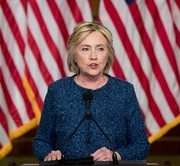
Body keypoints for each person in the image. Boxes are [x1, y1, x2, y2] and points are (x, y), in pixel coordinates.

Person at [32, 21, 150, 162]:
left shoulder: (124, 91)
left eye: (100, 49)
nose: (93, 56)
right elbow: (41, 142)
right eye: (85, 49)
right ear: (74, 54)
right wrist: (50, 154)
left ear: (108, 54)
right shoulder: (57, 91)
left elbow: (141, 145)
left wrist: (115, 156)